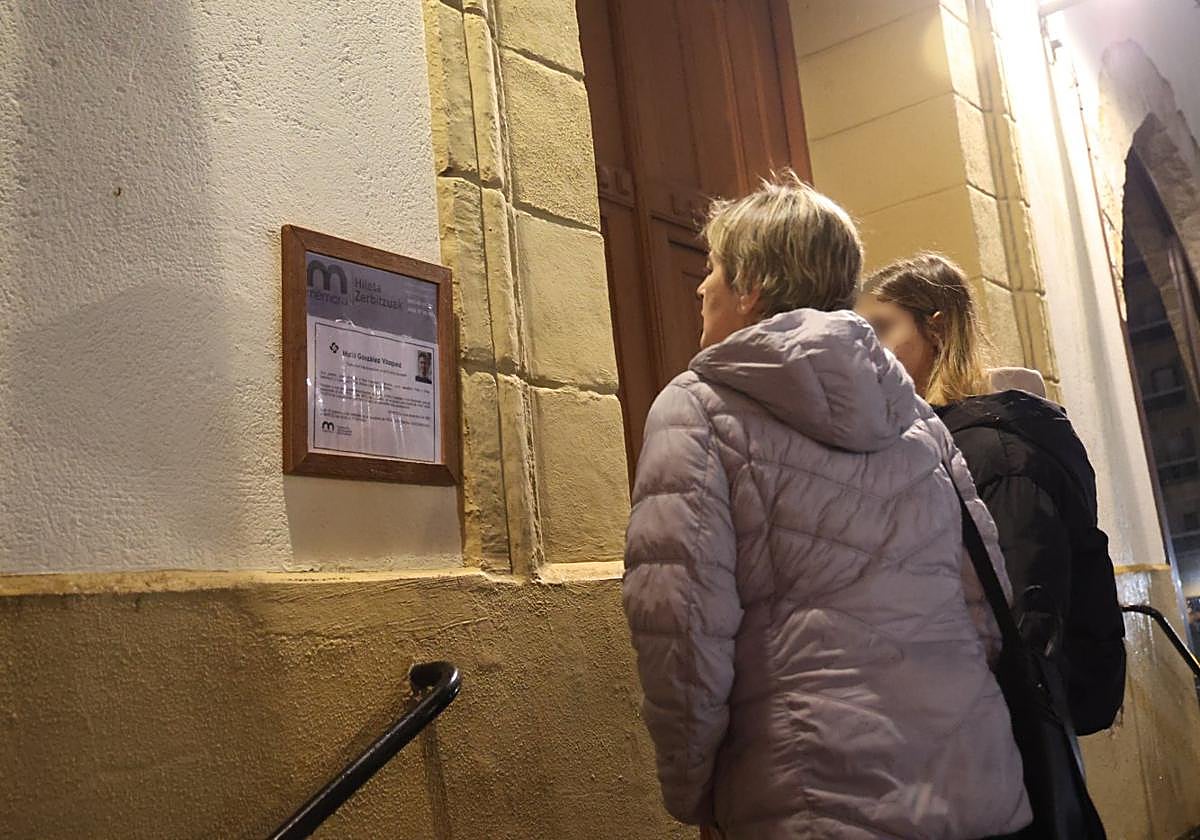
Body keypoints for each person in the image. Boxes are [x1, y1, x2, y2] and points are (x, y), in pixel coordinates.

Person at [622, 174, 1031, 839]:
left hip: (813, 795)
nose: (701, 287)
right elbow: (984, 600)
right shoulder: (916, 417)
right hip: (974, 778)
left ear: (751, 287)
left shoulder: (696, 409)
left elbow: (680, 627)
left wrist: (695, 788)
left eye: (713, 268)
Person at [857, 252, 1127, 744]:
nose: (869, 351)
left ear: (937, 328)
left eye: (882, 328)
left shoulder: (995, 450)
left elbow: (1025, 607)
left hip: (1003, 725)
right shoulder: (937, 439)